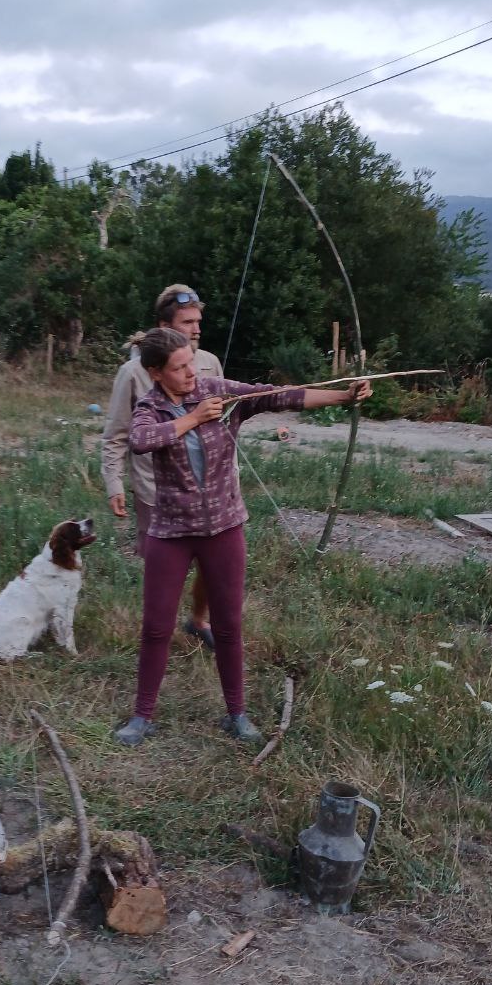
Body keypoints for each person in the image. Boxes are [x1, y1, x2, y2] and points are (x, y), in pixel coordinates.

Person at [113, 327, 372, 748]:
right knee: (156, 628)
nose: (191, 374)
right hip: (172, 531)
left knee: (229, 625)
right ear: (156, 373)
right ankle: (142, 716)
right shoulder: (150, 407)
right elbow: (140, 442)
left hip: (224, 527)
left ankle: (236, 714)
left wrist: (344, 396)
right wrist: (194, 418)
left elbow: (279, 396)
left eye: (191, 363)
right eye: (179, 368)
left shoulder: (218, 391)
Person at [101, 285, 223, 649]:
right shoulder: (133, 373)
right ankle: (158, 634)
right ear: (164, 326)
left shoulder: (210, 363)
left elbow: (222, 420)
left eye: (198, 321)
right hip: (156, 491)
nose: (196, 329)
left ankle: (198, 620)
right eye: (187, 323)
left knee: (212, 564)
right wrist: (114, 483)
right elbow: (116, 435)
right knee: (164, 570)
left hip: (209, 491)